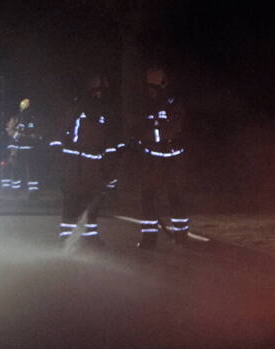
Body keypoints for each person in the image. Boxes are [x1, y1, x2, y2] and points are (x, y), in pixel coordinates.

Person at [49, 75, 122, 245]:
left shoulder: (106, 113)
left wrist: (110, 165)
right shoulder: (76, 109)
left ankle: (90, 235)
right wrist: (58, 159)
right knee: (72, 198)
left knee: (93, 199)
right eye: (97, 91)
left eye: (102, 92)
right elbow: (60, 134)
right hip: (75, 163)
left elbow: (109, 142)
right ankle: (67, 235)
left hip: (94, 164)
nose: (99, 95)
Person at [133, 66, 188, 249]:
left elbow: (172, 130)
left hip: (167, 158)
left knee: (173, 196)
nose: (149, 91)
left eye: (152, 87)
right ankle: (150, 238)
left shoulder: (171, 104)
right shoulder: (151, 104)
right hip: (157, 158)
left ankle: (180, 236)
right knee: (149, 197)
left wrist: (146, 138)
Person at [11, 98, 42, 197]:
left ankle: (29, 190)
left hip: (27, 149)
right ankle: (25, 190)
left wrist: (24, 136)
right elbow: (15, 135)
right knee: (25, 169)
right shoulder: (20, 119)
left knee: (27, 170)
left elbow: (36, 135)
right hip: (25, 149)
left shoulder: (28, 119)